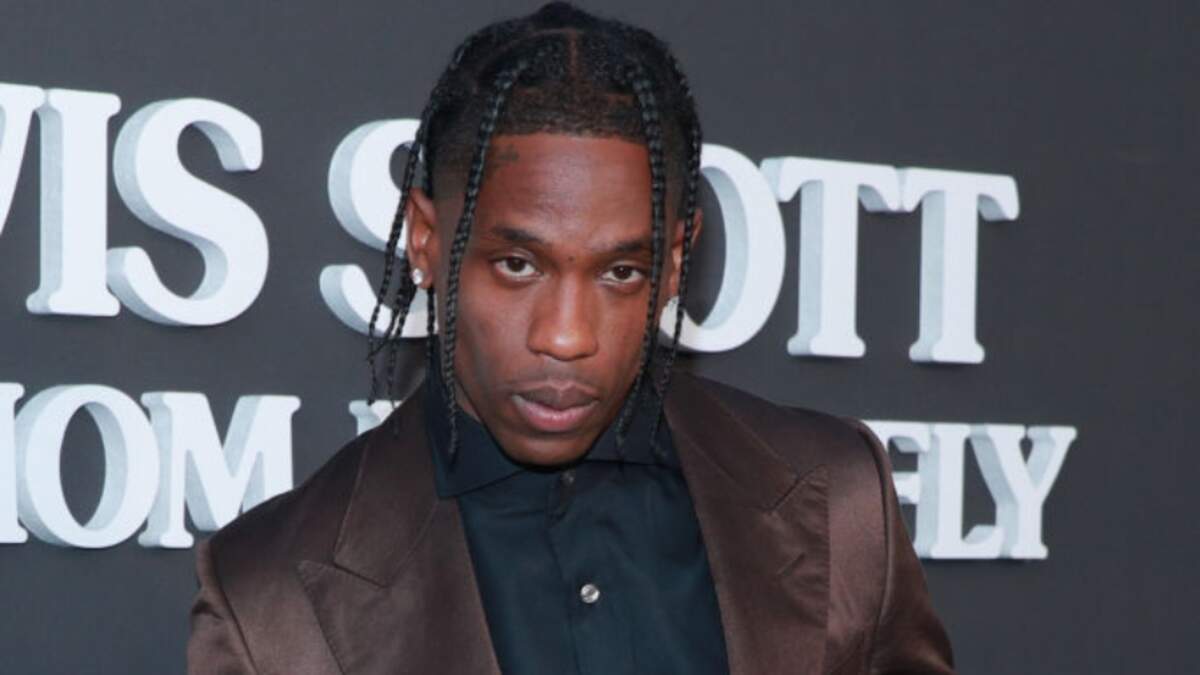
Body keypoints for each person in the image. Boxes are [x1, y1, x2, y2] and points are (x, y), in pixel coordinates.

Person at [186, 3, 956, 673]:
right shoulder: (269, 600)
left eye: (620, 271)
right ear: (426, 239)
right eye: (518, 265)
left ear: (675, 262)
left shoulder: (841, 499)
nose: (566, 336)